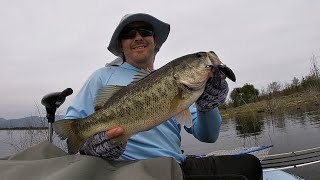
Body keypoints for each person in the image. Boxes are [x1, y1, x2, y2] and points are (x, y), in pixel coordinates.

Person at [64, 13, 262, 180]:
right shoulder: (101, 77)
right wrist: (92, 147)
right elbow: (72, 130)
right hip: (124, 171)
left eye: (145, 32)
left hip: (174, 169)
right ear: (121, 45)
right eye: (129, 33)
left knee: (250, 166)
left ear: (154, 41)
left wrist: (207, 105)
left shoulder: (179, 85)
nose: (138, 37)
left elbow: (209, 136)